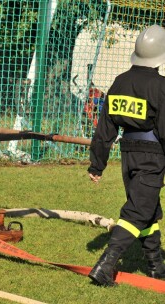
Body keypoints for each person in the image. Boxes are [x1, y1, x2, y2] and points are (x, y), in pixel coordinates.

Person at [87, 24, 165, 287]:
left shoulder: (119, 82)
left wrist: (97, 165)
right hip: (152, 157)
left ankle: (155, 265)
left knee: (148, 208)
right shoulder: (161, 87)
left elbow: (104, 129)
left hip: (128, 156)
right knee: (136, 212)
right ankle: (106, 264)